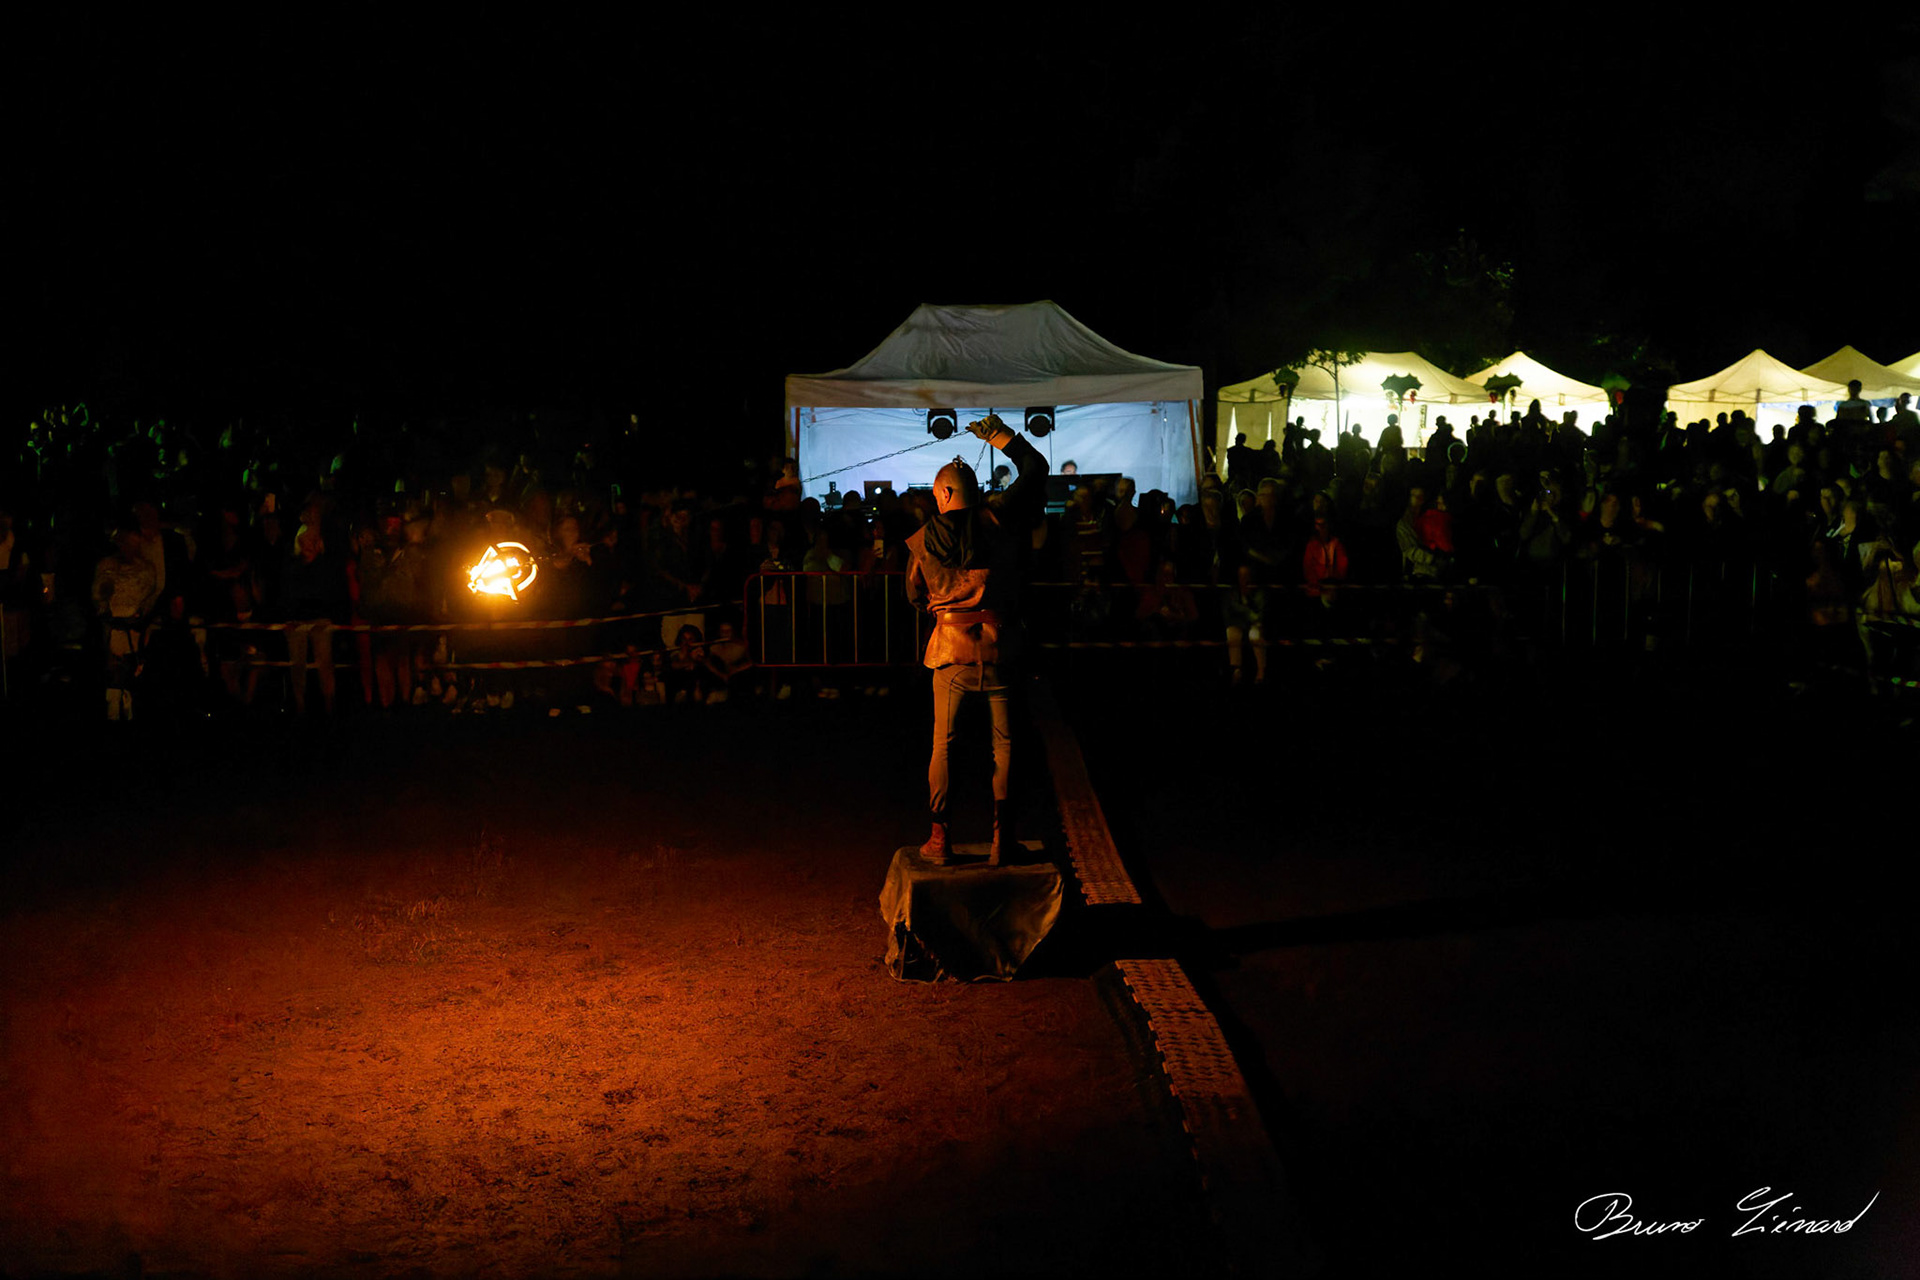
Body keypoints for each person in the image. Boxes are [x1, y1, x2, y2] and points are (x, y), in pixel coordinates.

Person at [906, 413, 1047, 865]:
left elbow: (914, 594)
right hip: (998, 647)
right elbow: (1036, 469)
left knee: (943, 745)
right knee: (1005, 745)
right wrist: (1001, 436)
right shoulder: (997, 517)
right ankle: (1002, 841)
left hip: (949, 653)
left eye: (937, 493)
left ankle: (939, 840)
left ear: (945, 494)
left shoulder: (922, 540)